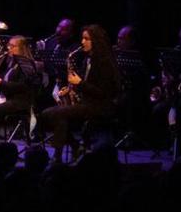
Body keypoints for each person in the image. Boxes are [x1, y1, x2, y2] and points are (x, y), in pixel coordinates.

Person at [40, 25, 121, 161]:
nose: (82, 42)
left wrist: (80, 83)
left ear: (96, 41)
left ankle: (59, 156)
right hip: (87, 103)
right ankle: (72, 146)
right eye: (82, 38)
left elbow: (104, 93)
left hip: (101, 106)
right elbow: (85, 85)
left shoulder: (105, 63)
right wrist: (71, 89)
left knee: (57, 114)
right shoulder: (87, 59)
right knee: (48, 114)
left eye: (87, 39)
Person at [0, 36, 39, 159]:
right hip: (7, 99)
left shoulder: (27, 64)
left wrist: (1, 84)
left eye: (12, 46)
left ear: (22, 48)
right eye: (9, 45)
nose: (8, 48)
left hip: (20, 101)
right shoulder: (11, 62)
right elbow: (5, 81)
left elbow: (24, 86)